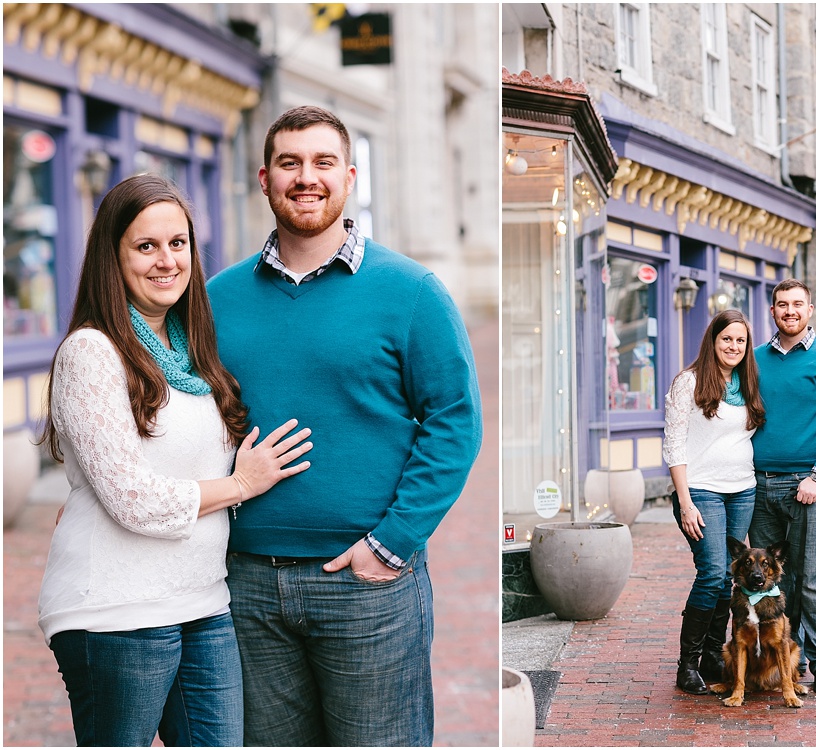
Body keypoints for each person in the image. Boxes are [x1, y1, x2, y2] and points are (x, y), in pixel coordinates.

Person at [206, 105, 483, 747]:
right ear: (264, 178)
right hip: (245, 582)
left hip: (366, 586)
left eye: (323, 162)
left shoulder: (410, 291)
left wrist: (391, 545)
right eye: (290, 163)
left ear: (350, 176)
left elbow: (454, 422)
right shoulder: (217, 298)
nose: (307, 177)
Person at [37, 174, 313, 746]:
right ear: (113, 259)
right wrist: (240, 485)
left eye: (178, 243)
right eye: (145, 246)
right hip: (115, 609)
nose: (166, 261)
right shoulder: (92, 351)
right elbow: (134, 499)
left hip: (203, 599)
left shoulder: (193, 353)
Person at [749, 278, 816, 695]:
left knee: (813, 576)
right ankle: (789, 659)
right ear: (772, 312)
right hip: (760, 487)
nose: (789, 311)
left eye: (797, 304)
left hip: (810, 485)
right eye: (781, 304)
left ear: (810, 309)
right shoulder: (754, 360)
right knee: (774, 580)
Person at [663, 309, 766, 695]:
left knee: (728, 577)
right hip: (701, 490)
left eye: (740, 340)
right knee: (711, 573)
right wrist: (685, 502)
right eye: (727, 339)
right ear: (713, 340)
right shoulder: (688, 383)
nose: (734, 346)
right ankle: (686, 665)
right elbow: (673, 444)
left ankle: (710, 657)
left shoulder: (749, 383)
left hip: (743, 490)